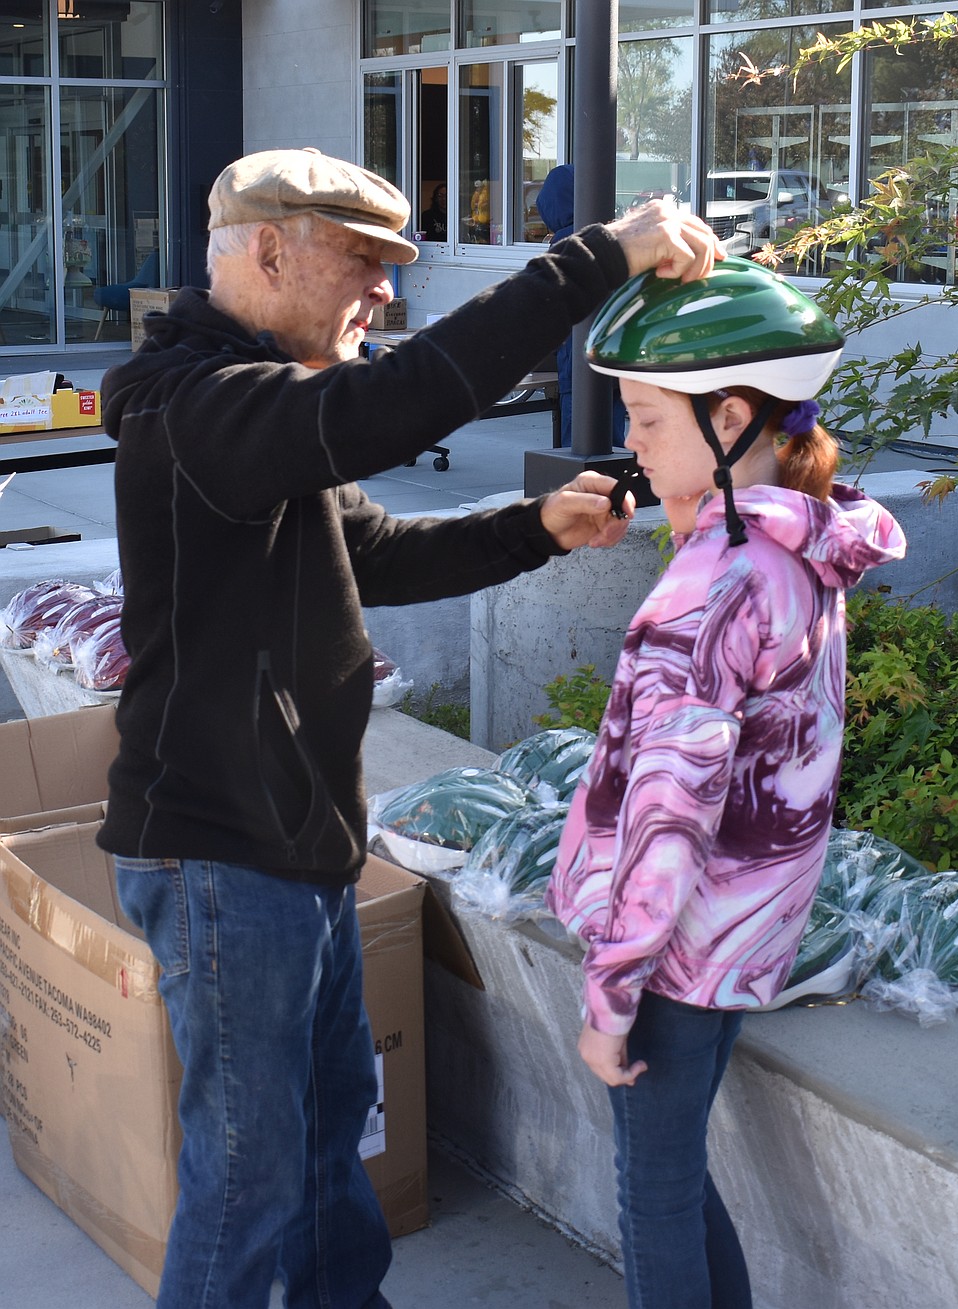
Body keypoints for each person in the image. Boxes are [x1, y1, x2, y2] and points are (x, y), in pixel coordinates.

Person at [96, 145, 720, 1309]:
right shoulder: (206, 408)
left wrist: (530, 525)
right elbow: (404, 400)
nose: (386, 292)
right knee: (251, 1180)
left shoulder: (263, 407)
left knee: (330, 1147)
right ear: (269, 250)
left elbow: (369, 553)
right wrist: (598, 259)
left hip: (297, 836)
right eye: (364, 262)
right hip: (222, 847)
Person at [546, 257, 907, 1309]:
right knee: (675, 1177)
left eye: (648, 420)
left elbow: (668, 820)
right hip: (744, 934)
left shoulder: (709, 587)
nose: (632, 445)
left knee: (651, 1192)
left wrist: (610, 995)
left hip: (671, 952)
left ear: (732, 418)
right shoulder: (801, 545)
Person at [535, 163, 628, 447]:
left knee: (577, 447)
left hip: (577, 366)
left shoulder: (563, 247)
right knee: (614, 444)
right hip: (616, 359)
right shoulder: (611, 238)